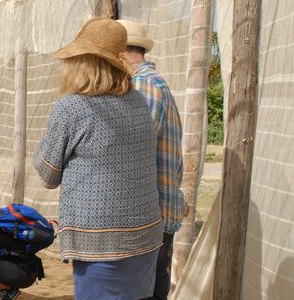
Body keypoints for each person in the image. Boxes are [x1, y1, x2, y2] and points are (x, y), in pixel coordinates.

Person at [33, 18, 163, 299]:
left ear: (83, 62)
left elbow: (47, 174)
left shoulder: (72, 107)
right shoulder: (138, 101)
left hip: (101, 243)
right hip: (145, 236)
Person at [118, 19, 185, 300]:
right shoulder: (149, 83)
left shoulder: (143, 85)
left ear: (120, 52)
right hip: (153, 215)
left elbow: (133, 149)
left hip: (147, 219)